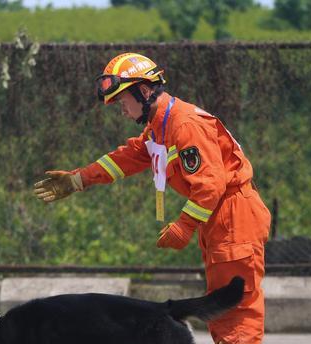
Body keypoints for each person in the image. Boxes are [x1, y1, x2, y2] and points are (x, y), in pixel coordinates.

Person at [33, 52, 271, 344]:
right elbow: (128, 157)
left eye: (123, 102)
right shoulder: (161, 126)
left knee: (237, 316)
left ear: (144, 91)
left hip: (234, 218)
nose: (122, 110)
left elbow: (211, 184)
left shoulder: (183, 125)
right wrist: (78, 179)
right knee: (224, 313)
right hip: (222, 219)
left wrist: (184, 225)